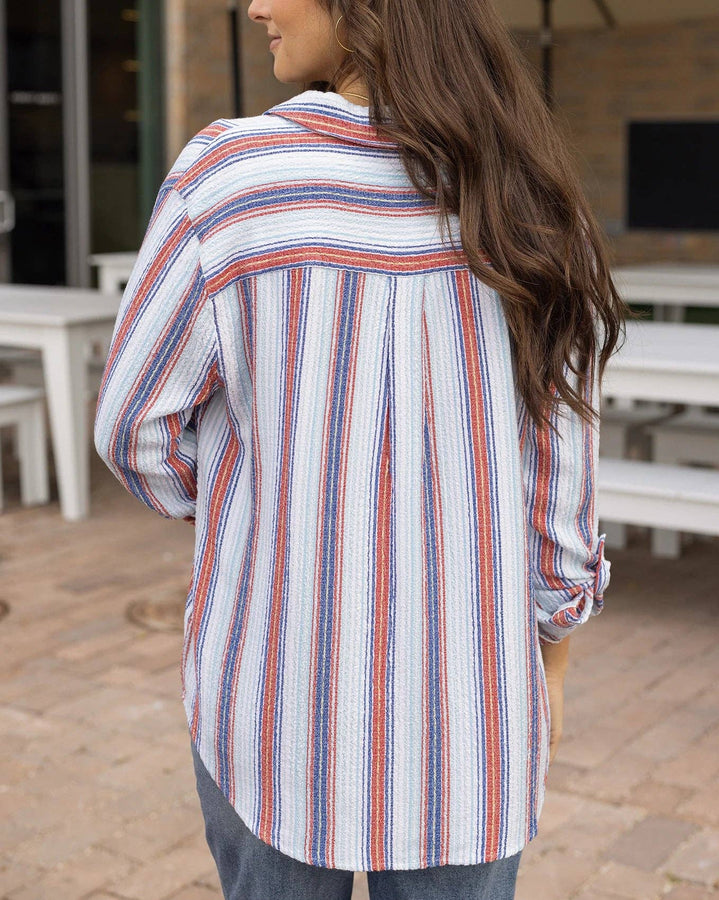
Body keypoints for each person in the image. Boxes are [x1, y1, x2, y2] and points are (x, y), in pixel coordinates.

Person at [94, 0, 627, 897]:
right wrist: (555, 658)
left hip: (271, 692)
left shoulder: (228, 179)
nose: (255, 5)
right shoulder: (527, 193)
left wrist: (259, 499)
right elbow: (559, 484)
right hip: (471, 713)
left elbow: (133, 427)